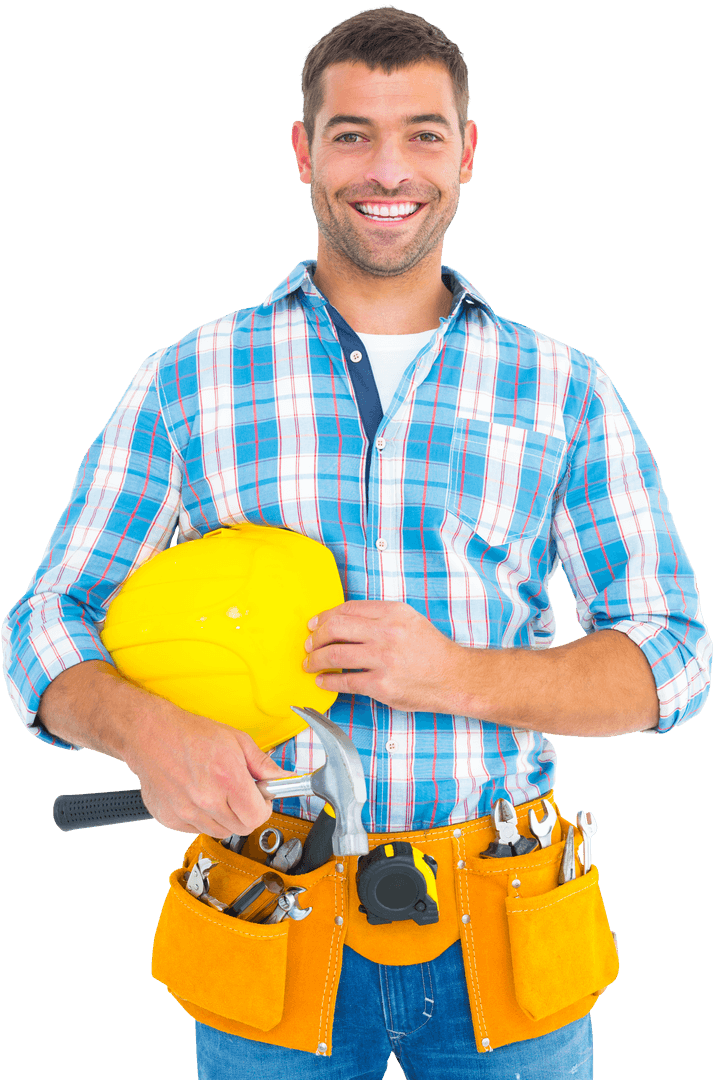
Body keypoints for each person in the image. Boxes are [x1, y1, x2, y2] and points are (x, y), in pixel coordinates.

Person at [2, 7, 711, 1079]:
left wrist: (457, 676)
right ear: (303, 152)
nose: (389, 169)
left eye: (424, 133)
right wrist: (147, 733)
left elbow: (673, 659)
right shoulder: (190, 377)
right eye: (351, 134)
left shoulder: (562, 388)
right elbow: (43, 626)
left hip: (504, 927)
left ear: (467, 153)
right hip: (268, 915)